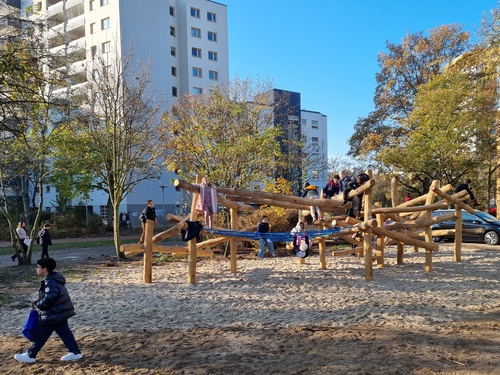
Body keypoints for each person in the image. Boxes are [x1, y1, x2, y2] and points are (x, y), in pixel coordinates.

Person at [14, 257, 82, 363]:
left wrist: (40, 305)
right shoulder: (54, 279)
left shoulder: (50, 281)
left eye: (38, 267)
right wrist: (39, 300)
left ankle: (30, 355)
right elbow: (51, 295)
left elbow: (50, 298)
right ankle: (75, 352)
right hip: (60, 312)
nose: (37, 269)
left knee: (42, 334)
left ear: (45, 269)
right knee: (65, 332)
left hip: (54, 313)